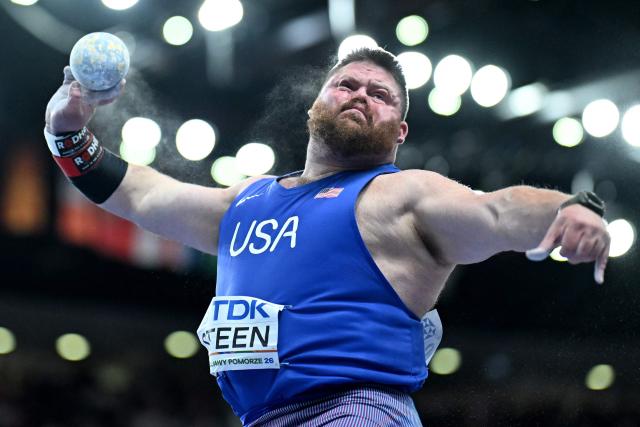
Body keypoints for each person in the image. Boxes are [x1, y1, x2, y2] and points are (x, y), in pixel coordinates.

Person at [44, 47, 610, 426]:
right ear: (317, 104)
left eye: (381, 94)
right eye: (346, 84)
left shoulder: (402, 196)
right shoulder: (248, 201)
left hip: (353, 410)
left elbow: (496, 211)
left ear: (400, 131)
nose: (361, 94)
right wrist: (66, 134)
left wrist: (569, 208)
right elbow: (141, 195)